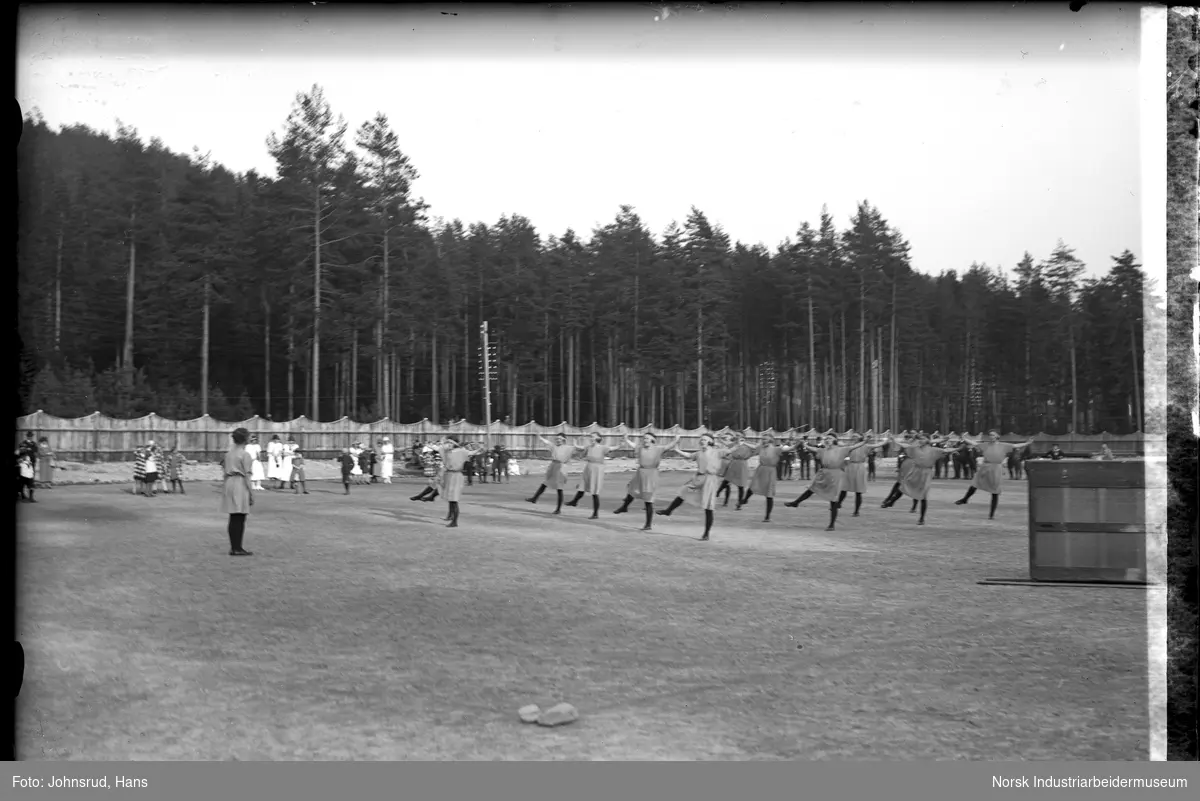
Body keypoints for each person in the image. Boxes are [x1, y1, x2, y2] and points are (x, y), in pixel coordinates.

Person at [784, 434, 871, 531]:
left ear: (835, 440)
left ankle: (831, 524)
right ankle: (796, 502)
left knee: (833, 500)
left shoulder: (842, 449)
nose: (827, 439)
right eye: (826, 438)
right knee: (812, 489)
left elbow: (855, 446)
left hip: (835, 475)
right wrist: (803, 444)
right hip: (824, 473)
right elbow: (812, 448)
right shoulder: (823, 450)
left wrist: (865, 441)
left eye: (830, 438)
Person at [655, 433, 731, 541]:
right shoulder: (699, 453)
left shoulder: (717, 452)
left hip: (710, 481)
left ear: (710, 442)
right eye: (701, 439)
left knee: (708, 507)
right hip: (698, 479)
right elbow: (688, 456)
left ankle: (706, 533)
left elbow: (731, 450)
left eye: (704, 439)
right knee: (683, 492)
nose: (702, 441)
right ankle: (668, 511)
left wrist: (731, 442)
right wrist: (677, 449)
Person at [955, 431, 1036, 519]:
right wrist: (965, 439)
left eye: (993, 435)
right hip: (985, 467)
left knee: (995, 491)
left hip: (996, 468)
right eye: (990, 435)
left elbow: (1015, 446)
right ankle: (965, 499)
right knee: (975, 484)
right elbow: (974, 443)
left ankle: (991, 514)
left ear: (997, 436)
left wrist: (1027, 443)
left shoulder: (1003, 445)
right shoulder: (986, 445)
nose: (991, 436)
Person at [880, 433, 954, 525]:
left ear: (927, 440)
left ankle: (921, 518)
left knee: (923, 496)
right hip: (915, 470)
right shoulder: (916, 447)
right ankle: (891, 501)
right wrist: (895, 440)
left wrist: (955, 448)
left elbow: (944, 449)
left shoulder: (933, 449)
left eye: (922, 439)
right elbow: (906, 445)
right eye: (920, 439)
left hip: (925, 473)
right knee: (904, 486)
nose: (920, 440)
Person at [612, 432, 681, 531]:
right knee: (632, 491)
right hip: (640, 473)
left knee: (648, 499)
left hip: (651, 474)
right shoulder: (640, 448)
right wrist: (626, 439)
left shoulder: (658, 449)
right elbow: (633, 445)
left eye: (647, 438)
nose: (645, 440)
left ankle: (648, 524)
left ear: (653, 440)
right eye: (644, 438)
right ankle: (624, 507)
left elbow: (668, 446)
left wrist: (676, 440)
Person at [740, 433, 797, 522]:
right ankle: (745, 499)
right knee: (752, 486)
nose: (763, 441)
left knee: (769, 494)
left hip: (770, 471)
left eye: (765, 439)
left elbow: (789, 448)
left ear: (770, 440)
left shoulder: (776, 449)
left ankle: (767, 516)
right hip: (761, 469)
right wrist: (743, 443)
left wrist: (798, 444)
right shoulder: (760, 448)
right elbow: (753, 447)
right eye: (762, 439)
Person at [564, 433, 620, 520]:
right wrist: (575, 444)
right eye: (591, 437)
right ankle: (574, 501)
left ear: (598, 438)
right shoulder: (588, 447)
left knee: (594, 491)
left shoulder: (603, 447)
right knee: (582, 487)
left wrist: (622, 442)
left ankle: (595, 513)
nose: (591, 438)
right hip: (589, 468)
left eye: (593, 436)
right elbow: (580, 450)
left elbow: (614, 448)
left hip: (597, 469)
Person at [221, 427, 255, 556]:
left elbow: (224, 471)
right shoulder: (245, 454)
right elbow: (247, 475)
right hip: (239, 482)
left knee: (233, 516)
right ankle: (237, 547)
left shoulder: (229, 453)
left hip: (229, 481)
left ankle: (234, 546)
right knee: (240, 516)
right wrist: (251, 493)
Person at [526, 433, 578, 515]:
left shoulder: (569, 448)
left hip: (561, 467)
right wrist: (540, 437)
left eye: (560, 439)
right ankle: (534, 498)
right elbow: (547, 442)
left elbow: (578, 449)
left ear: (564, 440)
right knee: (545, 483)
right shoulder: (554, 446)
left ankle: (558, 509)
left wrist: (576, 444)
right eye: (557, 439)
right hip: (553, 466)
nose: (558, 440)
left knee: (559, 488)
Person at [837, 433, 887, 518]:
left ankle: (856, 511)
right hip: (850, 466)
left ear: (860, 438)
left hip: (860, 467)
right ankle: (838, 504)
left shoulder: (866, 446)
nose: (854, 437)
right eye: (853, 436)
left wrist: (886, 440)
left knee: (858, 491)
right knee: (843, 488)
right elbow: (839, 444)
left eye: (856, 436)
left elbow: (878, 444)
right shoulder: (850, 445)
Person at [439, 437, 483, 528]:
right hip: (449, 475)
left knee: (454, 499)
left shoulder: (462, 451)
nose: (448, 445)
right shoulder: (448, 452)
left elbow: (473, 452)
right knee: (450, 498)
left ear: (454, 444)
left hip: (456, 475)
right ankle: (450, 516)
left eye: (450, 443)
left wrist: (479, 448)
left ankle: (455, 521)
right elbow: (441, 448)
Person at [717, 433, 755, 509]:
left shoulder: (748, 445)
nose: (737, 436)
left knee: (740, 485)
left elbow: (756, 448)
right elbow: (725, 443)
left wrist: (745, 443)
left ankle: (739, 503)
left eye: (738, 435)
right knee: (726, 480)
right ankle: (718, 492)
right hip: (734, 463)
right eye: (736, 435)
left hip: (742, 464)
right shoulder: (734, 444)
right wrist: (721, 437)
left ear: (743, 436)